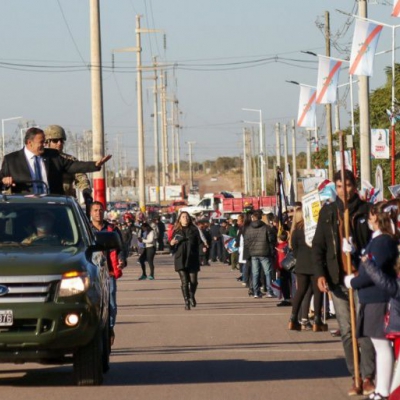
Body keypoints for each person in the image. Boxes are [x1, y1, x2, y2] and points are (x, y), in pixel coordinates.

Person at [312, 169, 375, 396]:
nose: (344, 190)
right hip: (337, 280)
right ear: (335, 188)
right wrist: (320, 274)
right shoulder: (328, 212)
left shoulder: (366, 211)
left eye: (347, 185)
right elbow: (318, 246)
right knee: (347, 331)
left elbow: (375, 242)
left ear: (354, 186)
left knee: (364, 329)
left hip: (361, 278)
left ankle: (369, 376)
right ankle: (355, 376)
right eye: (339, 186)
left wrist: (356, 247)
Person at [345, 203, 398, 400]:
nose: (369, 219)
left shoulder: (383, 241)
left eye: (371, 215)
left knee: (382, 346)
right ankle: (382, 390)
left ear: (377, 217)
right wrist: (354, 252)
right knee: (379, 346)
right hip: (372, 297)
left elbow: (373, 272)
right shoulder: (377, 240)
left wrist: (353, 282)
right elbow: (368, 262)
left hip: (378, 297)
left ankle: (383, 391)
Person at [0, 127, 111, 195]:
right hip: (26, 208)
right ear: (30, 143)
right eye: (41, 142)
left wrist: (95, 165)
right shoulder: (11, 160)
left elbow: (72, 165)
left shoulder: (52, 156)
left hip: (51, 206)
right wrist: (4, 181)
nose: (44, 145)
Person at [90, 201, 126, 346]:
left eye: (100, 210)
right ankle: (93, 332)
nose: (98, 213)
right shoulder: (85, 229)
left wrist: (121, 259)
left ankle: (109, 328)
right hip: (91, 272)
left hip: (109, 272)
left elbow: (121, 248)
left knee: (110, 302)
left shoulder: (112, 229)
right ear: (90, 212)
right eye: (95, 210)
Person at [288, 207, 325, 331]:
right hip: (315, 263)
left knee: (300, 291)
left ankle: (293, 318)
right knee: (317, 291)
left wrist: (299, 257)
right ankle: (317, 320)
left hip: (302, 263)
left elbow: (294, 247)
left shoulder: (297, 229)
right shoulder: (316, 228)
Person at [44, 125, 93, 207]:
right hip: (45, 202)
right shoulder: (39, 160)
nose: (59, 143)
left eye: (61, 141)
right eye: (55, 141)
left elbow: (82, 179)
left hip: (65, 203)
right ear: (47, 142)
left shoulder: (70, 160)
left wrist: (86, 193)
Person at [170, 211, 204, 310]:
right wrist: (171, 243)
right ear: (180, 219)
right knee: (185, 282)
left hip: (192, 258)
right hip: (180, 258)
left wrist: (203, 249)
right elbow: (171, 246)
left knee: (194, 281)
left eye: (187, 217)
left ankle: (191, 295)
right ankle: (186, 301)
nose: (185, 218)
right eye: (183, 217)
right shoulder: (176, 230)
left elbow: (199, 242)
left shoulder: (194, 229)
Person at [244, 209, 276, 299]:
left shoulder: (248, 228)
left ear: (253, 218)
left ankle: (256, 292)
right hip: (264, 252)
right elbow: (271, 239)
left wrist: (250, 248)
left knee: (255, 273)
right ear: (261, 218)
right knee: (268, 272)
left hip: (253, 253)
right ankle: (270, 291)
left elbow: (246, 241)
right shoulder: (266, 227)